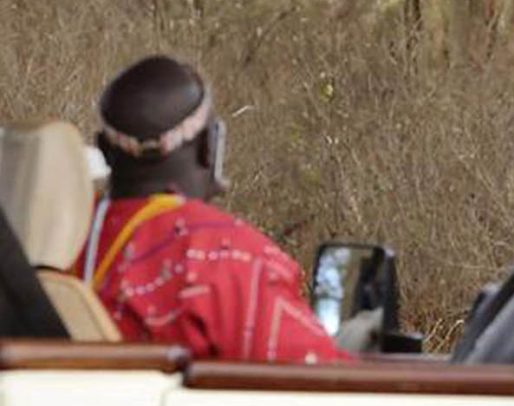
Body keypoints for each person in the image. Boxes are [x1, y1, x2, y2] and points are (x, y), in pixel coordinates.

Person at [82, 55, 345, 364]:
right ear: (209, 146)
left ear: (104, 149)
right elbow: (318, 376)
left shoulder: (60, 239)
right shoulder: (228, 256)